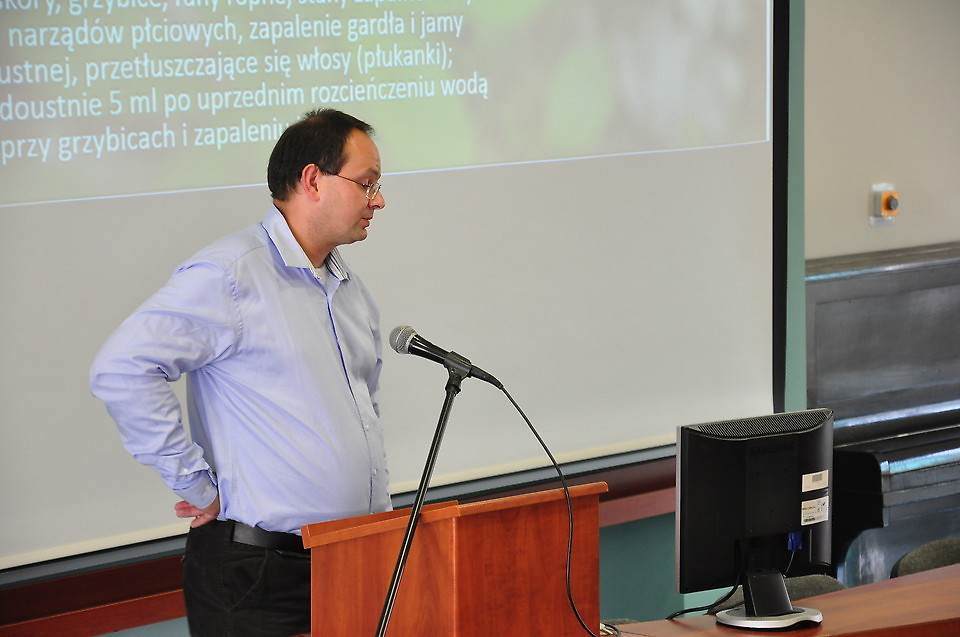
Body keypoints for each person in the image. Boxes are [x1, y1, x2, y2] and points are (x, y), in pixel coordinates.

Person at [89, 109, 391, 636]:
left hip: (353, 561)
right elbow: (122, 368)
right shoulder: (231, 274)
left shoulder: (350, 290)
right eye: (366, 183)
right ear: (313, 180)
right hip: (259, 575)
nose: (378, 200)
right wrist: (195, 484)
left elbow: (361, 413)